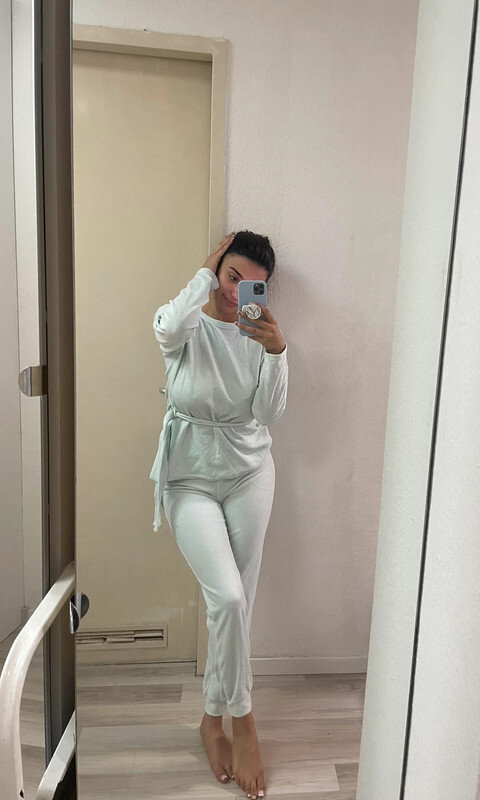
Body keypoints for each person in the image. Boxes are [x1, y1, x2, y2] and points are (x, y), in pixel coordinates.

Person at [149, 230, 288, 799]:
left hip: (249, 472)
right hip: (188, 477)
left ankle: (212, 719)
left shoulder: (260, 335)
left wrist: (277, 353)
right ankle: (244, 722)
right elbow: (165, 329)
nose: (236, 293)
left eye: (251, 285)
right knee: (227, 599)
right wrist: (205, 274)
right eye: (231, 276)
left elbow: (267, 413)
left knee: (237, 604)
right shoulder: (186, 326)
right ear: (216, 269)